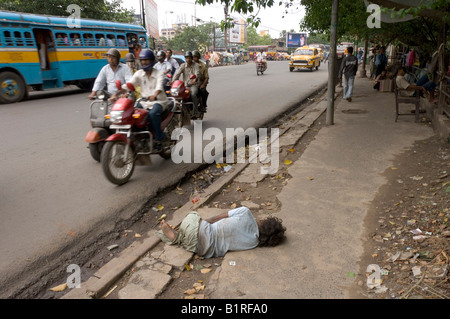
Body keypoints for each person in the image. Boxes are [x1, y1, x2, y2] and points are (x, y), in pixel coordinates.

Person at [155, 206, 286, 258]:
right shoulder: (253, 243)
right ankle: (178, 237)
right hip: (203, 250)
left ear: (263, 222)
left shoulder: (245, 212)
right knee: (193, 239)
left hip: (200, 232)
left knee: (193, 214)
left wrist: (200, 222)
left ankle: (181, 234)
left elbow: (214, 219)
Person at [112, 49, 169, 153]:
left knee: (153, 114)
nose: (144, 62)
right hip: (143, 102)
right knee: (132, 114)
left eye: (146, 60)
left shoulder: (159, 73)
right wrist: (117, 93)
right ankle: (138, 136)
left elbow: (159, 86)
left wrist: (154, 95)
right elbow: (130, 84)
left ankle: (159, 138)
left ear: (151, 60)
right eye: (142, 60)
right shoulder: (139, 73)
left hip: (159, 101)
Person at [172, 51, 201, 118]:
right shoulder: (183, 65)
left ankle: (196, 112)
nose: (188, 59)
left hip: (194, 85)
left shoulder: (196, 65)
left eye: (189, 58)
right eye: (186, 58)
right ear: (185, 58)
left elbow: (197, 74)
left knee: (193, 94)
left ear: (192, 58)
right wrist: (172, 81)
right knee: (177, 94)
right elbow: (177, 74)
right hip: (185, 85)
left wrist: (194, 80)